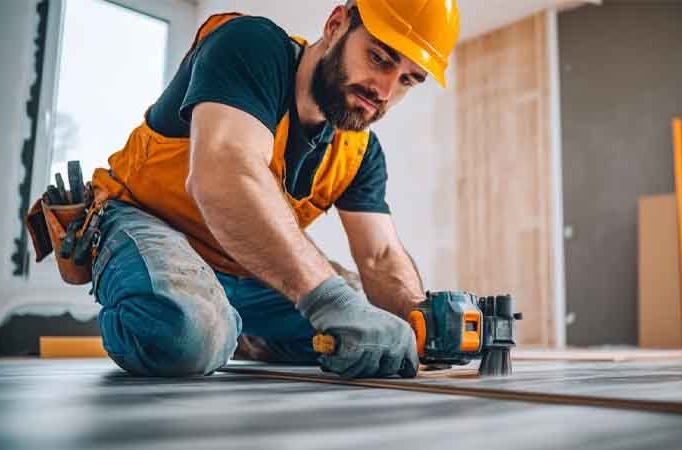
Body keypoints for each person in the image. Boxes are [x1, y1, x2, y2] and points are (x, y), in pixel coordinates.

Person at [88, 0, 460, 378]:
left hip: (242, 264)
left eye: (408, 80)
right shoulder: (251, 47)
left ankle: (241, 333)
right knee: (187, 332)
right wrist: (328, 297)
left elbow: (380, 256)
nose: (385, 90)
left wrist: (420, 320)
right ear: (336, 25)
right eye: (379, 58)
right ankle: (183, 320)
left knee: (367, 328)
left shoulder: (359, 152)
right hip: (146, 222)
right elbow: (225, 173)